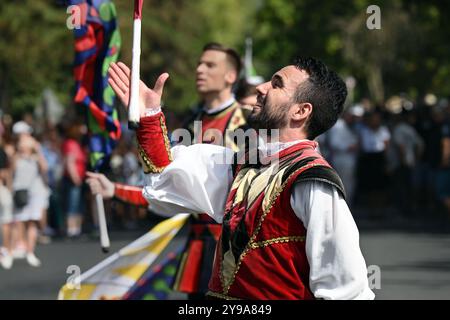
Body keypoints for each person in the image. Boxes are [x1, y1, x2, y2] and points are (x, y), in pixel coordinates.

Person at [90, 56, 374, 300]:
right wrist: (149, 117)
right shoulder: (244, 165)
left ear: (301, 111)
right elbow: (169, 175)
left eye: (276, 84)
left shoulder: (313, 180)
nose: (260, 88)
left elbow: (346, 287)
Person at [89, 43, 247, 299]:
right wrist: (115, 190)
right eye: (199, 63)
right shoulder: (189, 123)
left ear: (230, 76)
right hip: (199, 246)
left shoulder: (248, 123)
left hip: (236, 250)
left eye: (210, 65)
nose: (199, 69)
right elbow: (166, 186)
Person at [11, 121, 49, 267]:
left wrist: (36, 151)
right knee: (20, 220)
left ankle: (30, 250)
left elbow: (44, 168)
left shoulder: (36, 153)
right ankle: (19, 244)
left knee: (32, 220)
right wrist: (19, 152)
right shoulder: (15, 153)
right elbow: (12, 171)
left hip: (35, 191)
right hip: (20, 191)